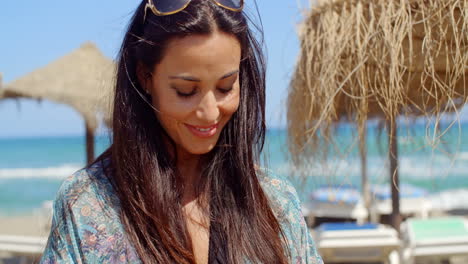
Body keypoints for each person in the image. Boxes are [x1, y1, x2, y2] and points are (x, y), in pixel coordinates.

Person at [40, 0, 323, 263]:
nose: (210, 112)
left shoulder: (276, 202)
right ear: (145, 77)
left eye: (226, 87)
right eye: (186, 91)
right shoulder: (87, 205)